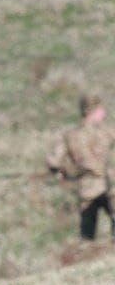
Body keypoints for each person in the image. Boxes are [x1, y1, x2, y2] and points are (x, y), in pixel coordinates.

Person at [47, 93, 115, 240]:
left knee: (87, 234)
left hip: (85, 189)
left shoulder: (69, 135)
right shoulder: (106, 132)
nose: (104, 113)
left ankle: (86, 255)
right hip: (108, 188)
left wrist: (59, 172)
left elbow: (54, 161)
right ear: (94, 111)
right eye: (101, 110)